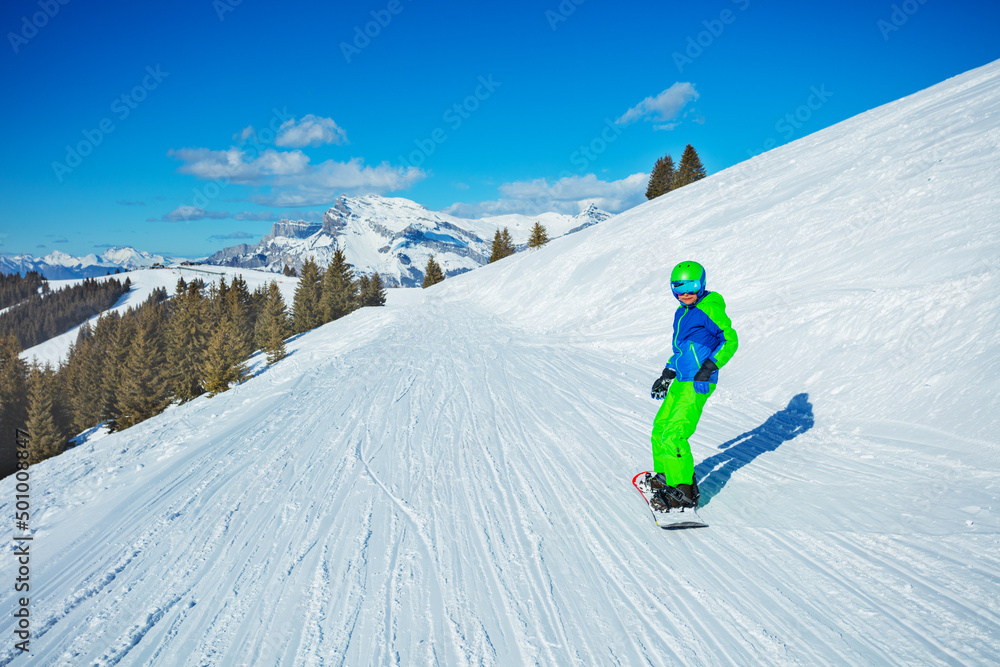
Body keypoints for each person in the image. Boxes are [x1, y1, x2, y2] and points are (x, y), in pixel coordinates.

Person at [646, 261, 738, 512]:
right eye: (678, 288)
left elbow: (730, 340)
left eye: (692, 287)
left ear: (702, 285)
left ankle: (682, 493)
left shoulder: (709, 307)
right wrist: (667, 372)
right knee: (660, 429)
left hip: (698, 381)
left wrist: (709, 367)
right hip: (682, 378)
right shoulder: (682, 311)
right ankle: (666, 476)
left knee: (675, 434)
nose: (685, 294)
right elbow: (682, 349)